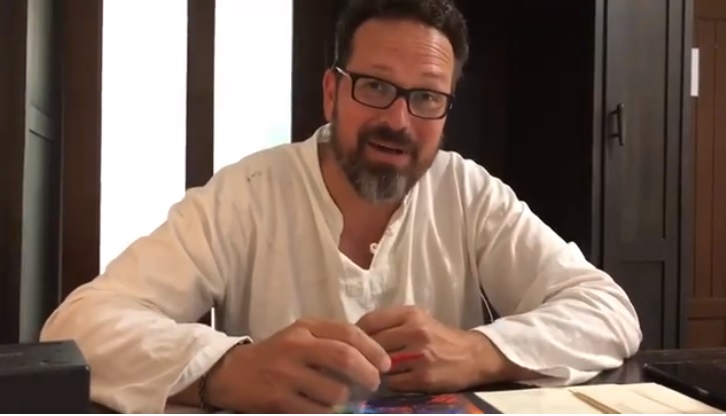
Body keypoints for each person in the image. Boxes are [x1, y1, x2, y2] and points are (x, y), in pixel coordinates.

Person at [40, 0, 642, 413]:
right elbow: (78, 326)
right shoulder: (248, 192)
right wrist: (224, 369)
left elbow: (607, 310)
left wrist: (478, 352)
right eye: (375, 86)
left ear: (445, 112)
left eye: (426, 97)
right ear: (332, 92)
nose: (398, 120)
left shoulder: (468, 191)